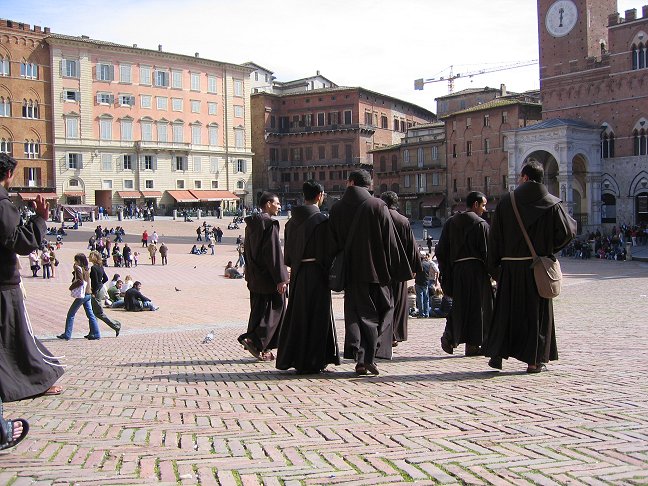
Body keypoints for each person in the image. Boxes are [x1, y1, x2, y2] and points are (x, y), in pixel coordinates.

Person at [485, 161, 576, 373]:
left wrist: (495, 268)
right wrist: (547, 249)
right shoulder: (553, 204)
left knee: (505, 313)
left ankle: (497, 355)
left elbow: (494, 238)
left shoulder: (507, 202)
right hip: (537, 269)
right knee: (536, 315)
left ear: (525, 177)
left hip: (510, 269)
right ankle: (534, 362)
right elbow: (568, 232)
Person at [328, 170, 413, 375]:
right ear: (369, 185)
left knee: (355, 313)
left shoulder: (337, 207)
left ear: (350, 182)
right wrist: (399, 269)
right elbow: (390, 240)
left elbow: (333, 241)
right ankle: (369, 355)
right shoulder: (377, 205)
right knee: (383, 310)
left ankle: (359, 354)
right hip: (377, 270)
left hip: (350, 271)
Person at [0, 153, 64, 404]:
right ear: (8, 174)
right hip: (4, 285)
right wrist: (40, 219)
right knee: (17, 337)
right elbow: (21, 242)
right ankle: (36, 380)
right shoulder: (2, 205)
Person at [276, 180, 340, 374]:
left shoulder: (290, 222)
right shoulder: (322, 221)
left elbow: (287, 256)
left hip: (298, 273)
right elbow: (330, 251)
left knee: (298, 316)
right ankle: (315, 360)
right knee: (318, 316)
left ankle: (297, 358)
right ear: (319, 195)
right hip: (317, 273)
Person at [435, 191, 493, 357]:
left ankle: (452, 336)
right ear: (475, 204)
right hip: (477, 272)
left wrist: (448, 271)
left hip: (457, 272)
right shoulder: (481, 225)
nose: (484, 209)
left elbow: (441, 251)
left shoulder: (450, 223)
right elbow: (488, 252)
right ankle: (472, 344)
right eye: (483, 205)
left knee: (460, 306)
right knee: (479, 308)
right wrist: (493, 273)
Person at [237, 192, 289, 362]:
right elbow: (273, 253)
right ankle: (257, 341)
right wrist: (281, 278)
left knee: (259, 309)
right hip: (268, 277)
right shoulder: (270, 224)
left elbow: (247, 250)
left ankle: (259, 345)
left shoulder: (251, 224)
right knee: (277, 307)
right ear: (268, 204)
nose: (279, 206)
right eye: (277, 203)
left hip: (254, 275)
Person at [380, 191, 421, 347]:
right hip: (399, 267)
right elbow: (411, 245)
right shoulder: (403, 220)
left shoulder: (379, 218)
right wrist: (414, 267)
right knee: (397, 301)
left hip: (382, 266)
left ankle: (383, 333)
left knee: (383, 301)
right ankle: (395, 334)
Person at [58, 253, 101, 340]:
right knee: (90, 314)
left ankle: (67, 334)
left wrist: (71, 287)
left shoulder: (79, 268)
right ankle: (96, 333)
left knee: (71, 314)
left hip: (83, 294)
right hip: (88, 293)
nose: (74, 262)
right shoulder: (86, 268)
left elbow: (80, 281)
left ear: (79, 261)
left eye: (75, 260)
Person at [88, 251, 121, 337]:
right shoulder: (100, 267)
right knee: (94, 312)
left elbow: (94, 281)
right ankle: (92, 332)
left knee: (98, 313)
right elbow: (105, 278)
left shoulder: (94, 268)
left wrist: (94, 291)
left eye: (90, 256)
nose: (89, 257)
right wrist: (101, 284)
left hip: (97, 290)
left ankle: (116, 325)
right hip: (101, 288)